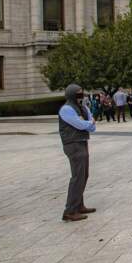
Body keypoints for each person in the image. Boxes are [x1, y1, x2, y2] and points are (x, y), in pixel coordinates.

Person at [58, 84, 97, 222]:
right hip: (73, 144)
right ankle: (69, 211)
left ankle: (79, 205)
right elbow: (80, 124)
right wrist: (88, 123)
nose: (81, 95)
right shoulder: (67, 109)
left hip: (82, 142)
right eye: (78, 93)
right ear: (71, 94)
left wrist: (88, 123)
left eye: (82, 92)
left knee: (83, 175)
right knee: (77, 177)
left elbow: (92, 126)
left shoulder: (83, 107)